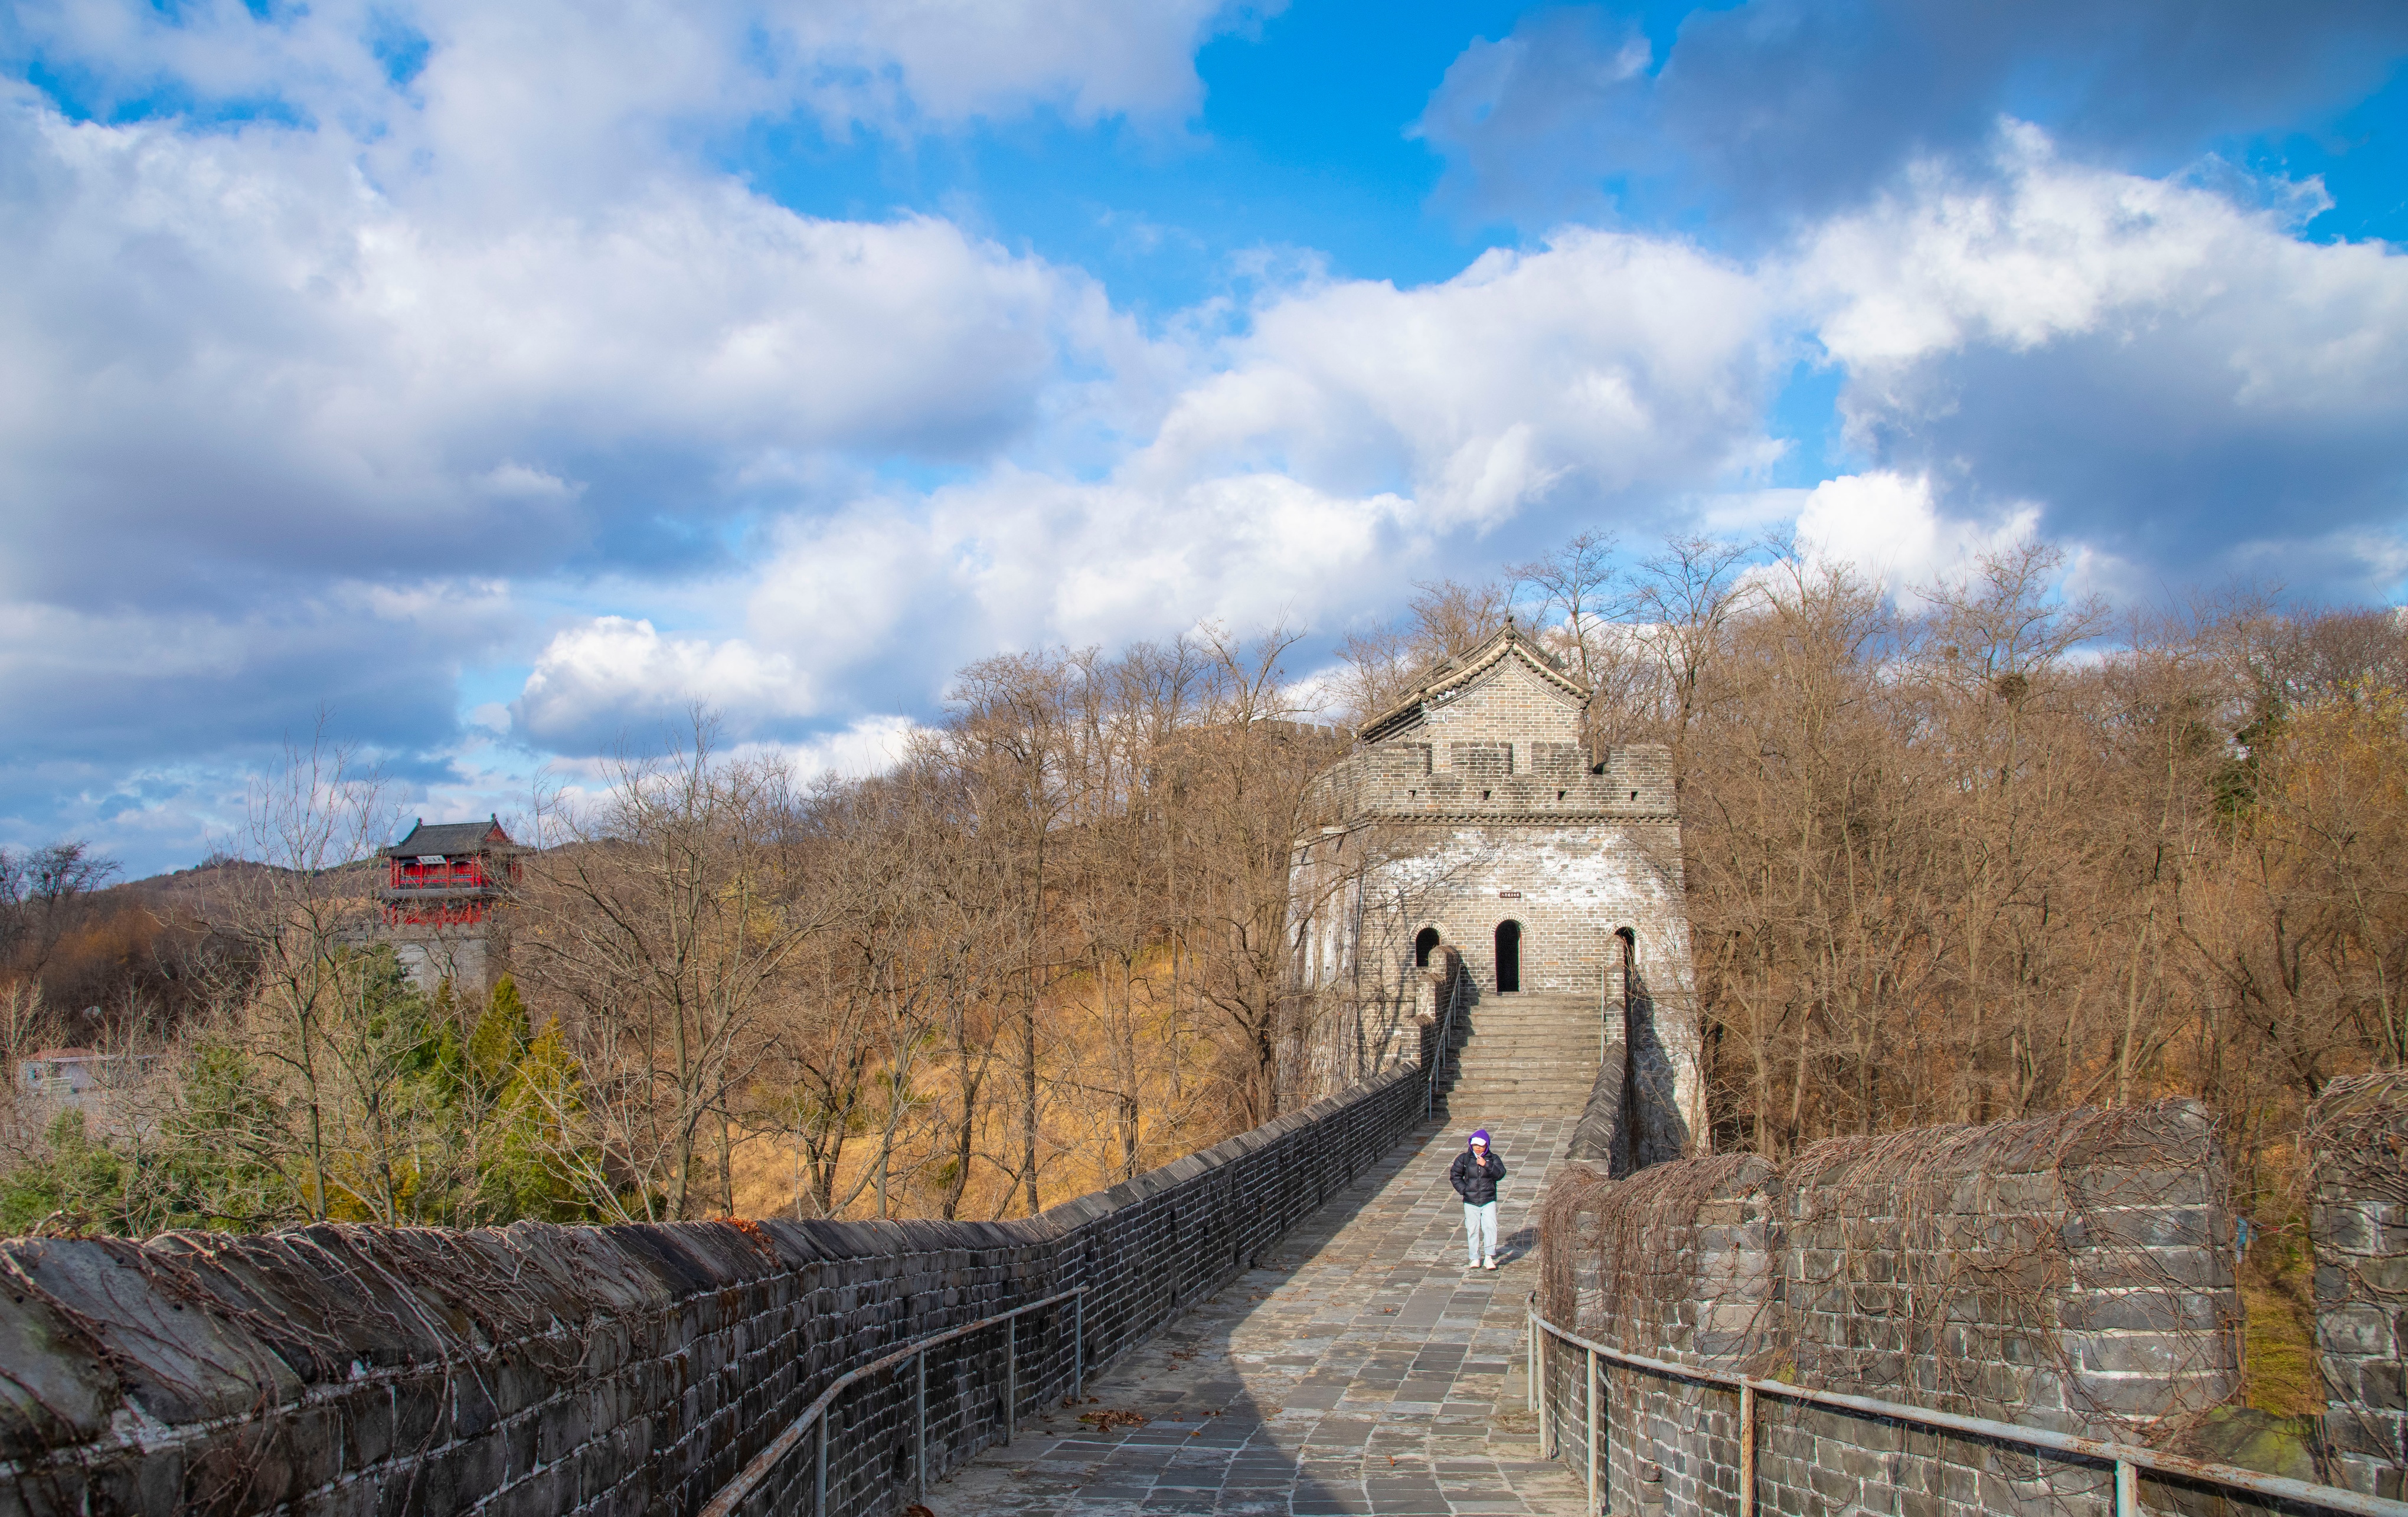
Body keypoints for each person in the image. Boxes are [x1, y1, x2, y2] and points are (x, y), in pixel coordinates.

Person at [1449, 1129, 1507, 1270]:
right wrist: (1465, 1190)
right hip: (1471, 1201)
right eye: (1475, 1145)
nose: (1478, 1148)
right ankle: (1474, 1257)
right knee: (1473, 1229)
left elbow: (1500, 1174)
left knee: (1490, 1227)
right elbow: (1455, 1176)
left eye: (1481, 1145)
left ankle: (1489, 1257)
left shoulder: (1493, 1159)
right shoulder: (1464, 1159)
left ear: (1487, 1145)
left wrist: (1486, 1165)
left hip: (1488, 1199)